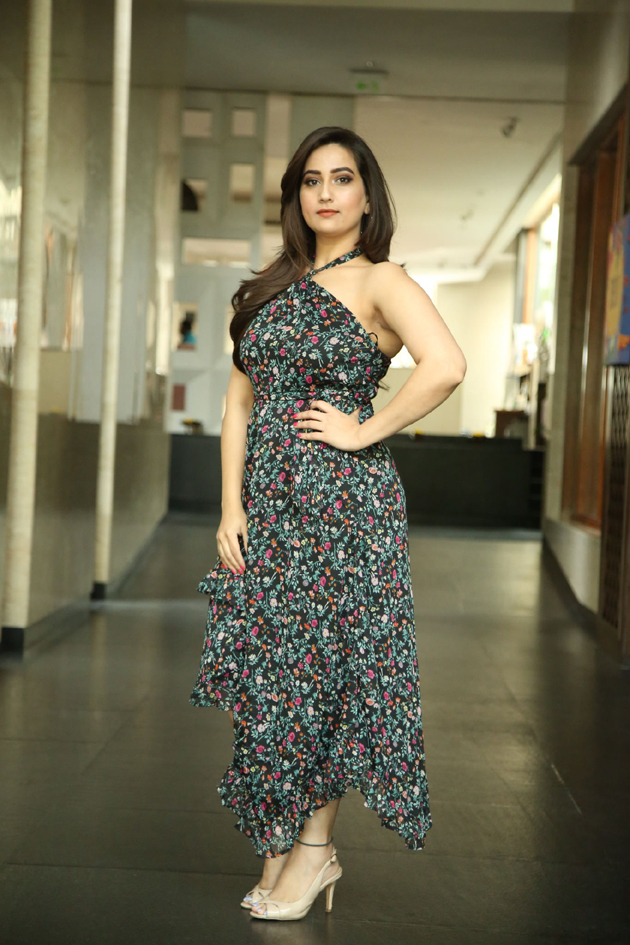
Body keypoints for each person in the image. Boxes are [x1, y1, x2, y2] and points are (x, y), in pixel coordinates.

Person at [189, 125, 467, 922]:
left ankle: (314, 850)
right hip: (271, 509)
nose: (325, 193)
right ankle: (279, 842)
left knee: (326, 676)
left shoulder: (381, 280)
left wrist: (363, 428)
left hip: (347, 509)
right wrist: (231, 505)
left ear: (367, 196)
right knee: (273, 674)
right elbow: (237, 403)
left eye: (342, 178)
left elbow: (447, 365)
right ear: (296, 196)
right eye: (311, 180)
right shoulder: (272, 287)